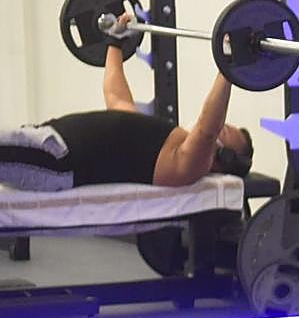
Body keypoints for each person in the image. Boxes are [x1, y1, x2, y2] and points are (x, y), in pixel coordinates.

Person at [0, 11, 253, 191]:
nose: (222, 127)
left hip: (57, 159)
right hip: (47, 143)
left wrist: (227, 68)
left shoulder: (188, 166)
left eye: (225, 132)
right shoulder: (163, 143)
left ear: (227, 158)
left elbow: (207, 129)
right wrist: (115, 42)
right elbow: (117, 99)